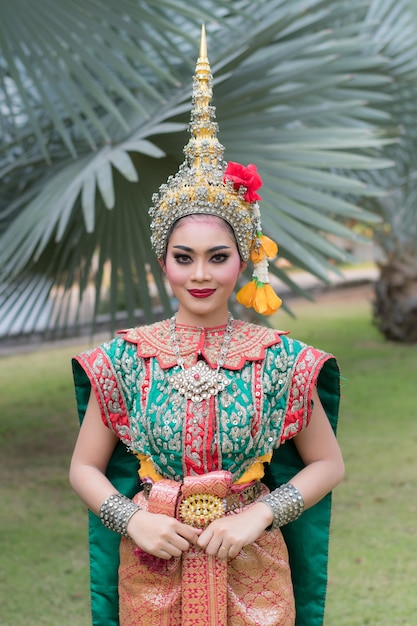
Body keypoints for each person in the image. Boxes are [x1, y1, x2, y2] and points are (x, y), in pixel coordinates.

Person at [69, 26, 344, 626]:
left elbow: (328, 463)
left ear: (244, 261)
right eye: (184, 257)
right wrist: (132, 518)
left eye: (218, 257)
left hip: (252, 561)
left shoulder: (279, 358)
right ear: (163, 262)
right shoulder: (124, 360)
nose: (201, 274)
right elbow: (84, 467)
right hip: (152, 559)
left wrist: (259, 514)